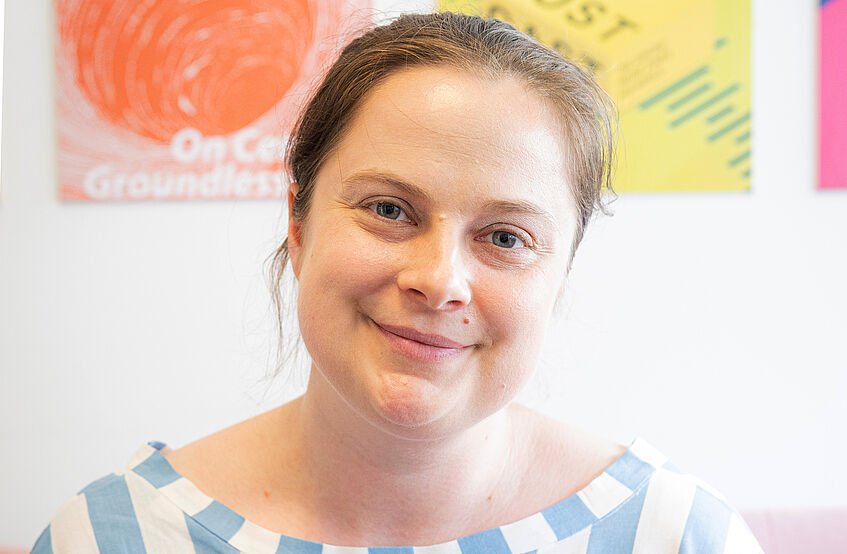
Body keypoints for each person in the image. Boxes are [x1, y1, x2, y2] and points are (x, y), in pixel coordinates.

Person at [32, 12, 763, 554]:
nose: (439, 281)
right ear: (298, 224)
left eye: (505, 238)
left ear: (560, 273)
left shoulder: (677, 537)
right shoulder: (109, 536)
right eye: (388, 209)